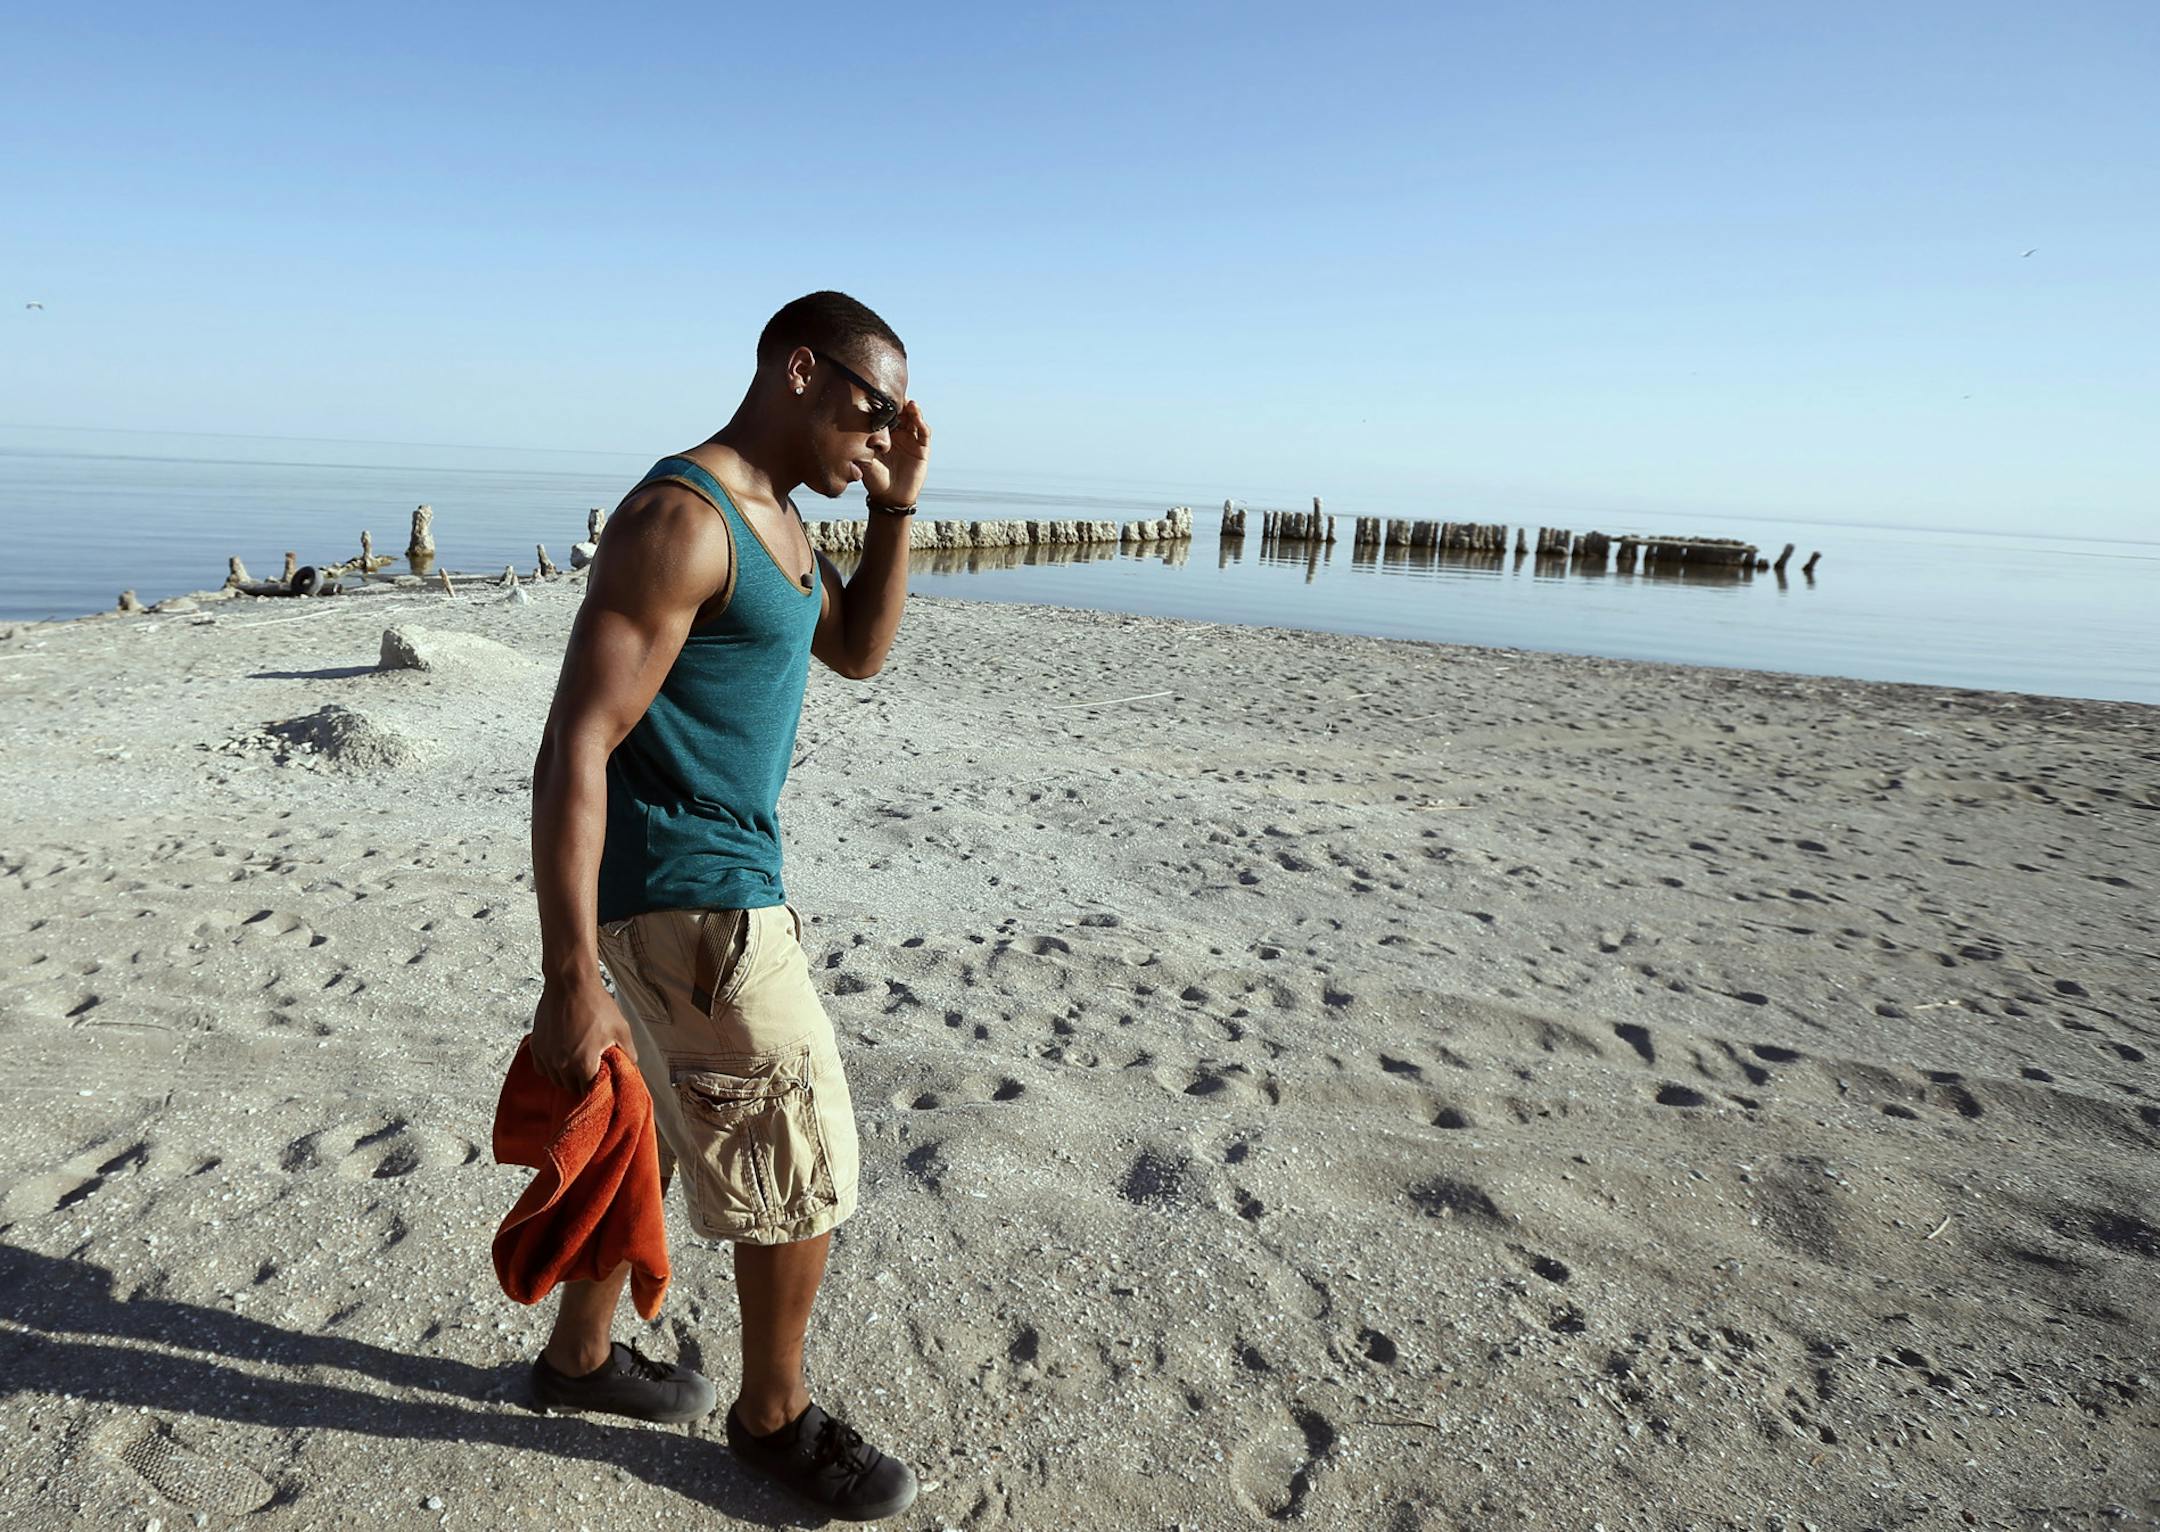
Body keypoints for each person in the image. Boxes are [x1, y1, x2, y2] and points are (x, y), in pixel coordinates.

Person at [523, 291, 928, 1522]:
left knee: (639, 1122)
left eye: (900, 419)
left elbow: (858, 650)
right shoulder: (682, 520)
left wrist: (895, 505)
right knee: (801, 1152)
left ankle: (580, 1358)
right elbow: (576, 740)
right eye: (874, 407)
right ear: (801, 369)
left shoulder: (786, 525)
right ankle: (772, 1418)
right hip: (693, 898)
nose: (884, 433)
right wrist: (567, 971)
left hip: (707, 888)